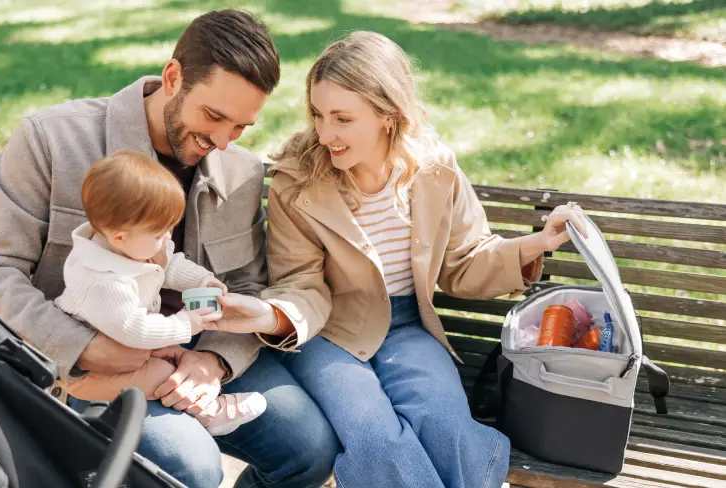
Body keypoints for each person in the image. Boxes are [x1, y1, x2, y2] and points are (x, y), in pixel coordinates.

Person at [0, 10, 339, 488]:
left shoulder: (240, 172)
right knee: (193, 467)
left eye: (241, 127)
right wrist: (84, 348)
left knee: (309, 450)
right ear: (173, 77)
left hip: (192, 347)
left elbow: (246, 286)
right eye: (213, 116)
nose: (221, 141)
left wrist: (213, 362)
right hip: (77, 363)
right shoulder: (51, 139)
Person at [215, 31, 589, 488]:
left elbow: (463, 264)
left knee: (449, 432)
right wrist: (273, 314)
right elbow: (301, 284)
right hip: (328, 335)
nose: (325, 133)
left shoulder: (435, 170)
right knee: (377, 443)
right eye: (317, 114)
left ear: (388, 116)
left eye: (342, 118)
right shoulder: (298, 182)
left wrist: (536, 244)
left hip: (408, 329)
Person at [54, 150, 267, 436]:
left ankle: (196, 391)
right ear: (118, 236)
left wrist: (201, 280)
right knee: (161, 373)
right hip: (92, 372)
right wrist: (186, 323)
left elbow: (170, 264)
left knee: (172, 353)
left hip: (124, 343)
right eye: (159, 234)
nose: (167, 239)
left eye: (170, 229)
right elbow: (134, 329)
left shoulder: (135, 245)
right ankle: (209, 412)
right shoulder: (102, 280)